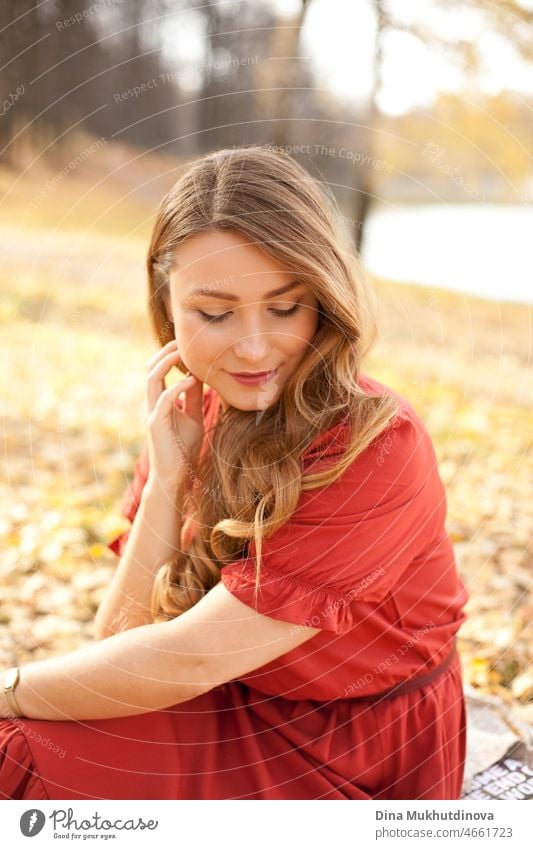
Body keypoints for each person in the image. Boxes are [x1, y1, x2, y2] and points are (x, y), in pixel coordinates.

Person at [0, 145, 468, 800]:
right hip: (231, 700)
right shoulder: (196, 413)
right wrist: (168, 478)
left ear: (326, 300)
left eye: (283, 308)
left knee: (17, 738)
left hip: (350, 744)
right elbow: (119, 638)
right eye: (214, 314)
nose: (250, 347)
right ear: (167, 306)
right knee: (21, 747)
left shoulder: (377, 443)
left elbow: (187, 656)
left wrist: (11, 687)